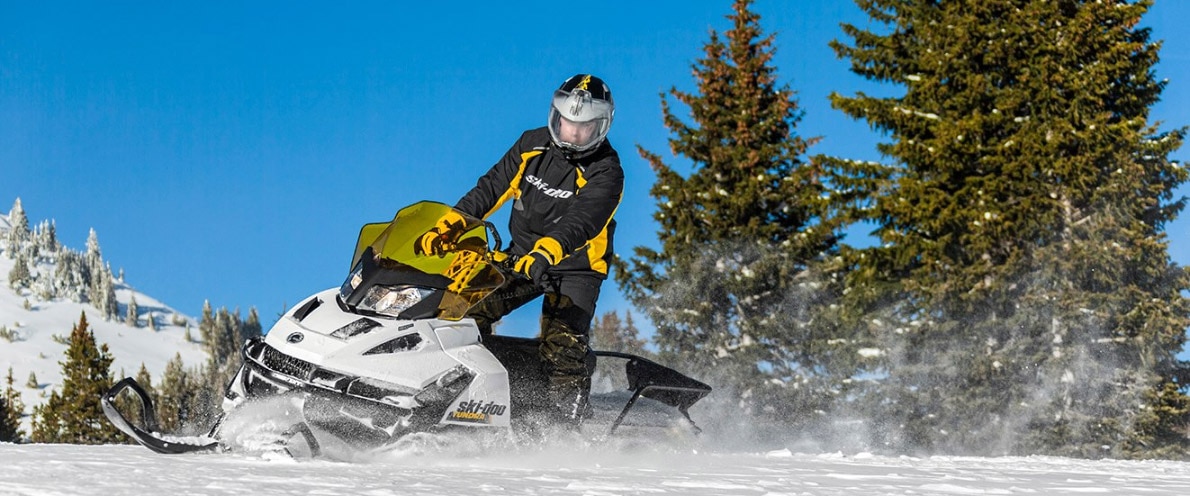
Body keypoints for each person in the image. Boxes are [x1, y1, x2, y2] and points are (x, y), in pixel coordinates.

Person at [423, 73, 623, 428]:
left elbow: (582, 220)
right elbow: (491, 187)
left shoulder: (607, 171)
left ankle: (564, 428)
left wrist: (546, 253)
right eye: (566, 123)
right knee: (464, 311)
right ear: (555, 116)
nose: (572, 134)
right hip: (521, 257)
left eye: (584, 127)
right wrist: (454, 222)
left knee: (563, 345)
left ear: (601, 127)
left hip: (575, 268)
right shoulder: (532, 145)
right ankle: (459, 400)